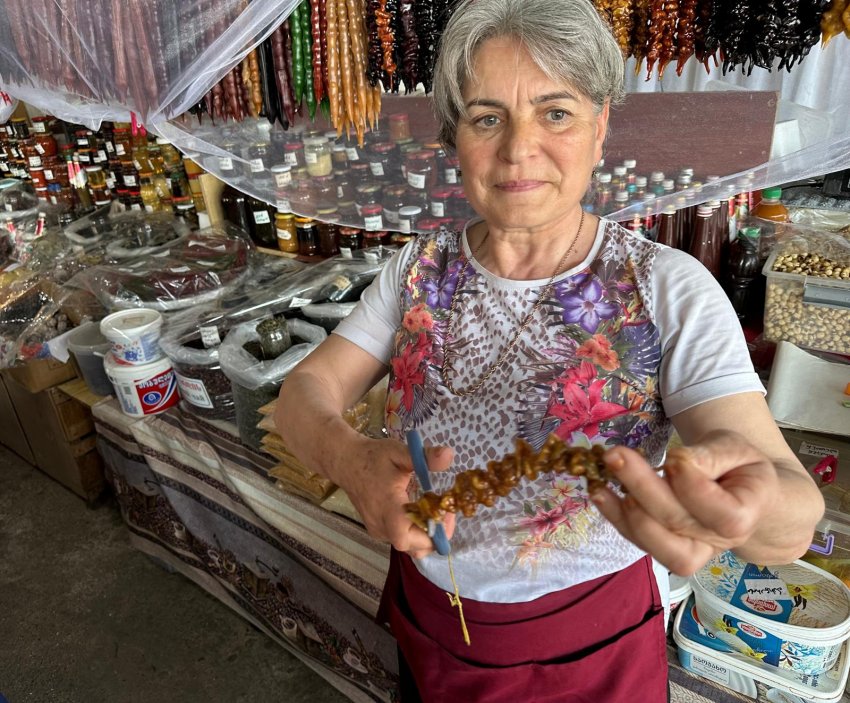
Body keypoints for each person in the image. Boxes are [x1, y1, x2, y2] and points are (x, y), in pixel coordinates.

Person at [275, 0, 825, 699]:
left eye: (556, 112)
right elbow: (303, 395)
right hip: (433, 622)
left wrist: (751, 511)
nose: (518, 148)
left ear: (600, 129)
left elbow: (787, 505)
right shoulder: (419, 269)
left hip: (589, 649)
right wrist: (347, 458)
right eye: (487, 117)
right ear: (455, 138)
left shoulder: (662, 289)